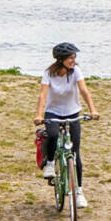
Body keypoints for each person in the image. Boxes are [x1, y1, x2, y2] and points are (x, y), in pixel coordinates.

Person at [35, 42, 98, 208]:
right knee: (54, 135)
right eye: (70, 57)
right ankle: (49, 165)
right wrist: (39, 115)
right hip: (53, 112)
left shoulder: (76, 71)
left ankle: (78, 192)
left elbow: (84, 90)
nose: (73, 60)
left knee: (75, 153)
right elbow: (43, 95)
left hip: (72, 112)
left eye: (74, 57)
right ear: (61, 59)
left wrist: (92, 110)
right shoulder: (48, 73)